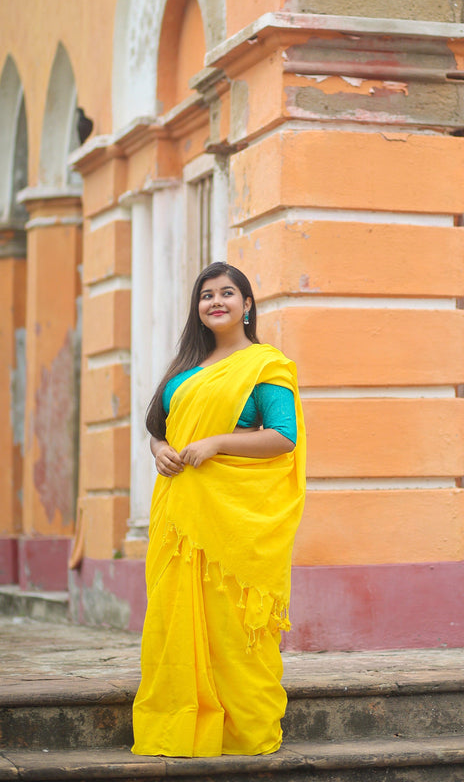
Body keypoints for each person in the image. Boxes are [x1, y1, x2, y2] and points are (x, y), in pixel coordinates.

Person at [132, 261, 306, 758]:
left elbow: (282, 437)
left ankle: (242, 730)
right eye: (207, 295)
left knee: (231, 626)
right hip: (179, 515)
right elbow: (160, 429)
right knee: (174, 623)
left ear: (247, 305)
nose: (216, 302)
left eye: (227, 293)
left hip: (233, 521)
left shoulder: (264, 365)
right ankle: (179, 725)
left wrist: (217, 443)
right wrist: (158, 449)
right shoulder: (186, 371)